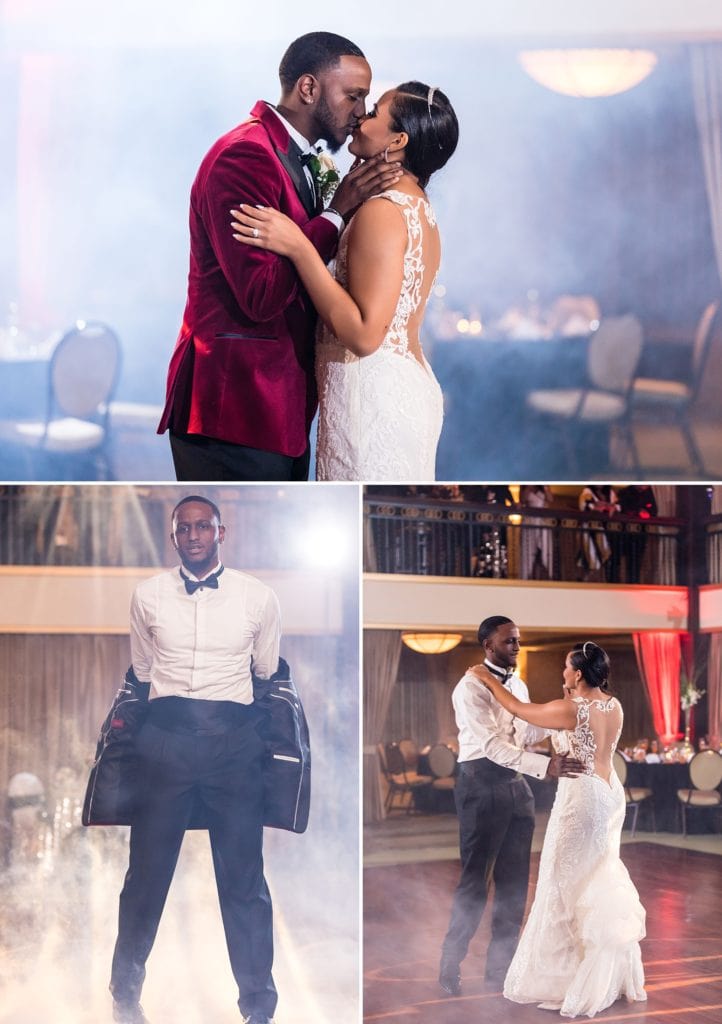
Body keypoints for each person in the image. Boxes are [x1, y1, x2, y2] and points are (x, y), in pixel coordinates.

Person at [158, 32, 402, 481]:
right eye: (353, 96)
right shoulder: (245, 157)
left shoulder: (297, 156)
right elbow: (261, 296)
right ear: (308, 89)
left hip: (280, 407)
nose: (362, 112)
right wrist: (333, 215)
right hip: (234, 408)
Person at [231, 81, 459, 481]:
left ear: (399, 139)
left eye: (373, 114)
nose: (360, 118)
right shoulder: (416, 207)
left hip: (372, 399)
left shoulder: (383, 212)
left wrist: (299, 248)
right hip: (389, 388)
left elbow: (366, 335)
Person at [109, 495, 281, 1024]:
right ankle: (125, 994)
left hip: (234, 746)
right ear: (174, 536)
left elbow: (266, 669)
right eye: (184, 528)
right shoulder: (147, 595)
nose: (193, 535)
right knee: (145, 878)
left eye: (202, 526)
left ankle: (258, 1008)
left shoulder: (258, 596)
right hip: (167, 743)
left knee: (245, 883)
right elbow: (141, 670)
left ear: (220, 532)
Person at [468, 641, 647, 1018]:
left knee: (561, 883)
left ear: (578, 673)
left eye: (567, 669)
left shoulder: (569, 709)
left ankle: (567, 980)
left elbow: (517, 708)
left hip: (581, 800)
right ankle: (603, 975)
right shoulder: (613, 705)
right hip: (610, 793)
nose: (563, 674)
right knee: (597, 877)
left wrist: (485, 678)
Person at [438, 616, 585, 996]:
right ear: (488, 645)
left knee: (515, 884)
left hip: (517, 787)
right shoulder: (469, 688)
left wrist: (561, 717)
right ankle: (450, 964)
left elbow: (527, 731)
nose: (516, 648)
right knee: (475, 882)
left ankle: (500, 969)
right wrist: (544, 765)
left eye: (518, 641)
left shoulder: (516, 683)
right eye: (509, 642)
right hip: (479, 783)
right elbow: (490, 746)